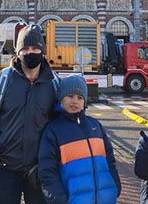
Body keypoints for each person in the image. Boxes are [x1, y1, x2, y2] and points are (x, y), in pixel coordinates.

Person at [0, 24, 59, 204]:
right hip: (6, 170)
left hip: (40, 169)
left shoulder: (54, 84)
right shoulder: (0, 81)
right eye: (25, 48)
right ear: (18, 52)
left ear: (43, 51)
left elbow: (63, 125)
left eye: (35, 48)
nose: (30, 52)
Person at [38, 75, 121, 204]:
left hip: (105, 198)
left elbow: (109, 159)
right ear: (61, 98)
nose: (75, 101)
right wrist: (58, 199)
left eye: (80, 97)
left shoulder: (95, 125)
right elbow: (47, 171)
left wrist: (115, 185)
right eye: (70, 96)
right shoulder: (53, 130)